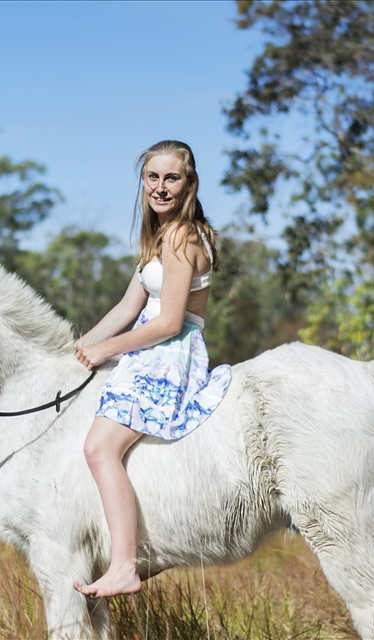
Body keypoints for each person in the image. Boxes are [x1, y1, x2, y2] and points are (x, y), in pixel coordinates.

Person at [72, 140, 232, 598]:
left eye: (171, 178)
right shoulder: (157, 237)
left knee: (100, 448)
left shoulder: (182, 236)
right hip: (146, 345)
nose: (160, 188)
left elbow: (169, 320)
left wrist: (107, 352)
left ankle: (124, 564)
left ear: (188, 183)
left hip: (168, 351)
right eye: (152, 177)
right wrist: (81, 346)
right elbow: (128, 305)